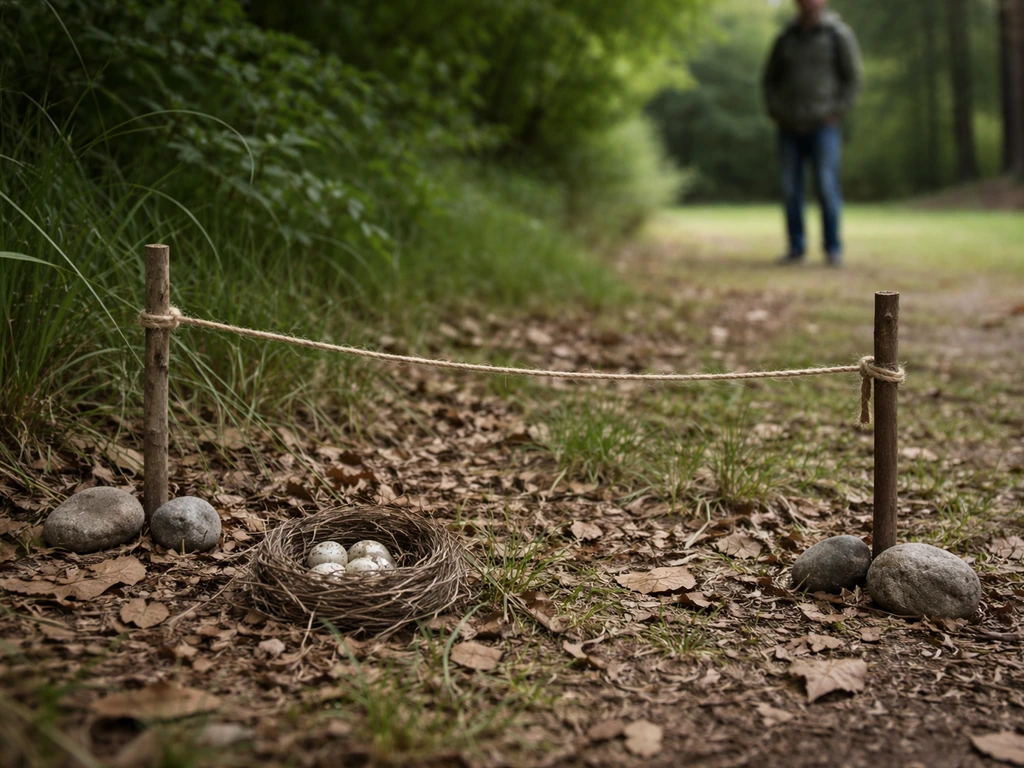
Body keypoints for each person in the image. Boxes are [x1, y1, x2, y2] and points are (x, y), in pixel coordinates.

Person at [762, 0, 862, 267]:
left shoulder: (838, 35)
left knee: (827, 187)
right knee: (790, 190)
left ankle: (832, 249)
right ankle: (796, 249)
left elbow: (853, 79)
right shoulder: (784, 37)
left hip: (823, 126)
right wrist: (775, 111)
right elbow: (769, 80)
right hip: (788, 126)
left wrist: (836, 112)